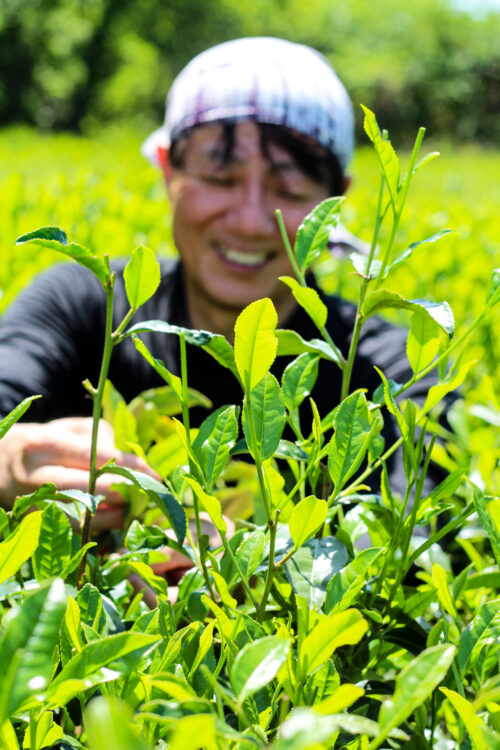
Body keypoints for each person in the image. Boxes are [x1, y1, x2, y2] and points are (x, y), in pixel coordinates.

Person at [0, 37, 431, 529]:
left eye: (288, 188)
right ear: (168, 169)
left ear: (334, 203)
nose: (249, 221)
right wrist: (10, 458)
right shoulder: (83, 304)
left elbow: (426, 526)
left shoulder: (388, 372)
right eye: (220, 177)